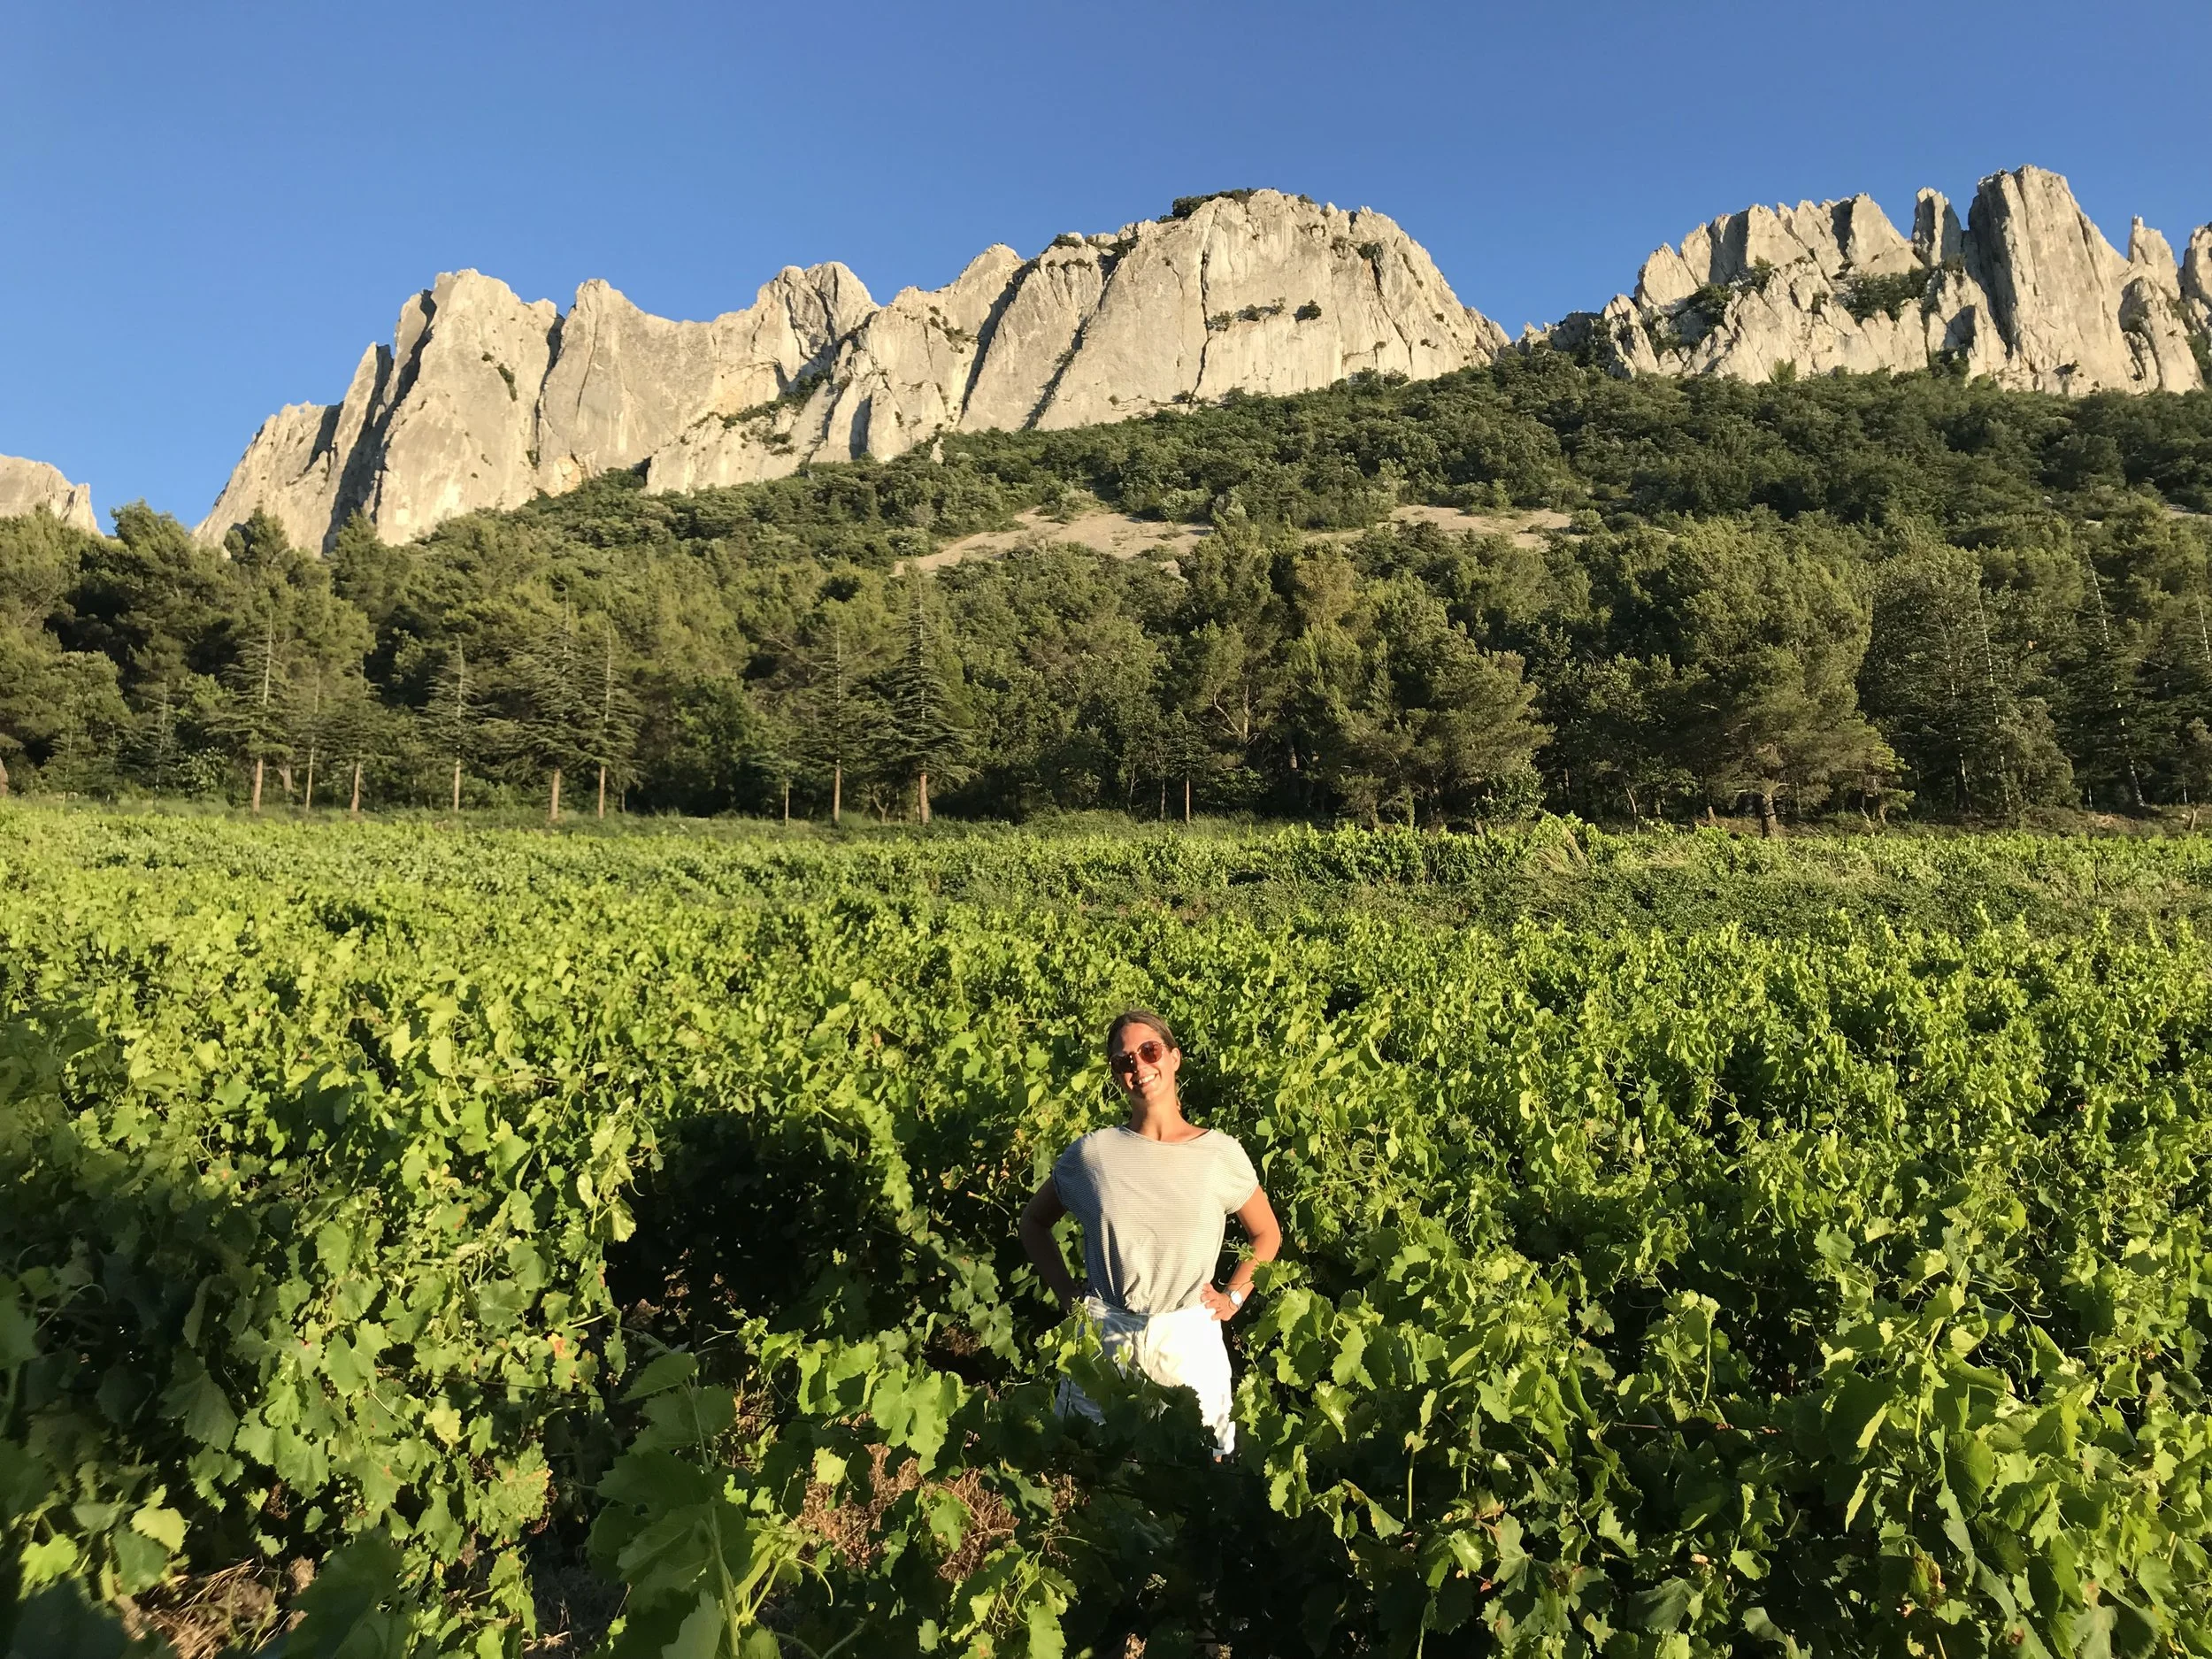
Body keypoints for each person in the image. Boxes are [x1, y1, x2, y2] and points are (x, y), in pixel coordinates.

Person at [1018, 1009, 1284, 1455]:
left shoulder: (1219, 1153)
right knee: (1093, 1471)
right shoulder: (1092, 1156)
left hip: (1187, 1337)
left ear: (1174, 1057)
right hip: (1107, 1337)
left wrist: (1234, 1297)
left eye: (1149, 1051)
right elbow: (1033, 1222)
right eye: (1125, 1061)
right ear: (1117, 1074)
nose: (1139, 1066)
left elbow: (1267, 1235)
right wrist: (1067, 1295)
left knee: (1199, 1473)